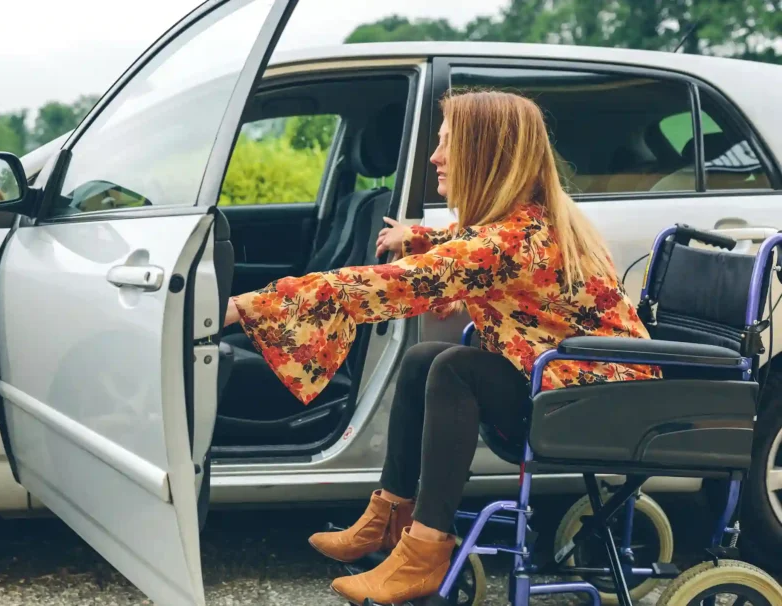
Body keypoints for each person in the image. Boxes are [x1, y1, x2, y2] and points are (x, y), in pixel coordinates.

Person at [223, 89, 661, 605]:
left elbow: (388, 283)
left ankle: (425, 550)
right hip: (571, 384)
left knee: (456, 368)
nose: (434, 157)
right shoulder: (524, 225)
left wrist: (244, 307)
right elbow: (465, 247)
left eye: (447, 144)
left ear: (486, 157)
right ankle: (390, 517)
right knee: (423, 358)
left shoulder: (511, 244)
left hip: (597, 403)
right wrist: (418, 239)